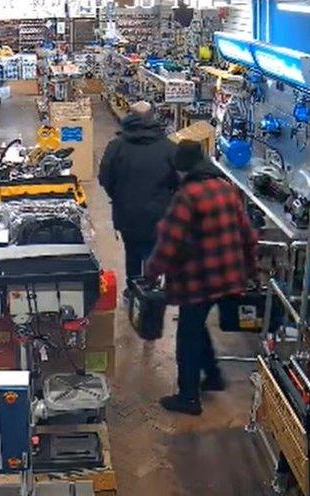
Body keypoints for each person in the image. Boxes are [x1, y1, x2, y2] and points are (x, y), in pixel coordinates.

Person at [145, 140, 259, 416]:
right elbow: (248, 235)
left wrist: (152, 271)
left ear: (183, 169)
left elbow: (169, 242)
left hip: (198, 280)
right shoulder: (227, 188)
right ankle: (214, 376)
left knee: (187, 335)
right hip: (229, 276)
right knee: (196, 327)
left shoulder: (188, 195)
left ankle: (188, 397)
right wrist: (251, 270)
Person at [98, 101, 178, 280]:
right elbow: (178, 182)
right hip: (158, 214)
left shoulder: (116, 147)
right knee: (153, 253)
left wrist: (119, 196)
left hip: (127, 213)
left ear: (130, 115)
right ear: (153, 116)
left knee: (132, 252)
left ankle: (133, 289)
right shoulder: (169, 148)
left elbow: (104, 178)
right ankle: (151, 292)